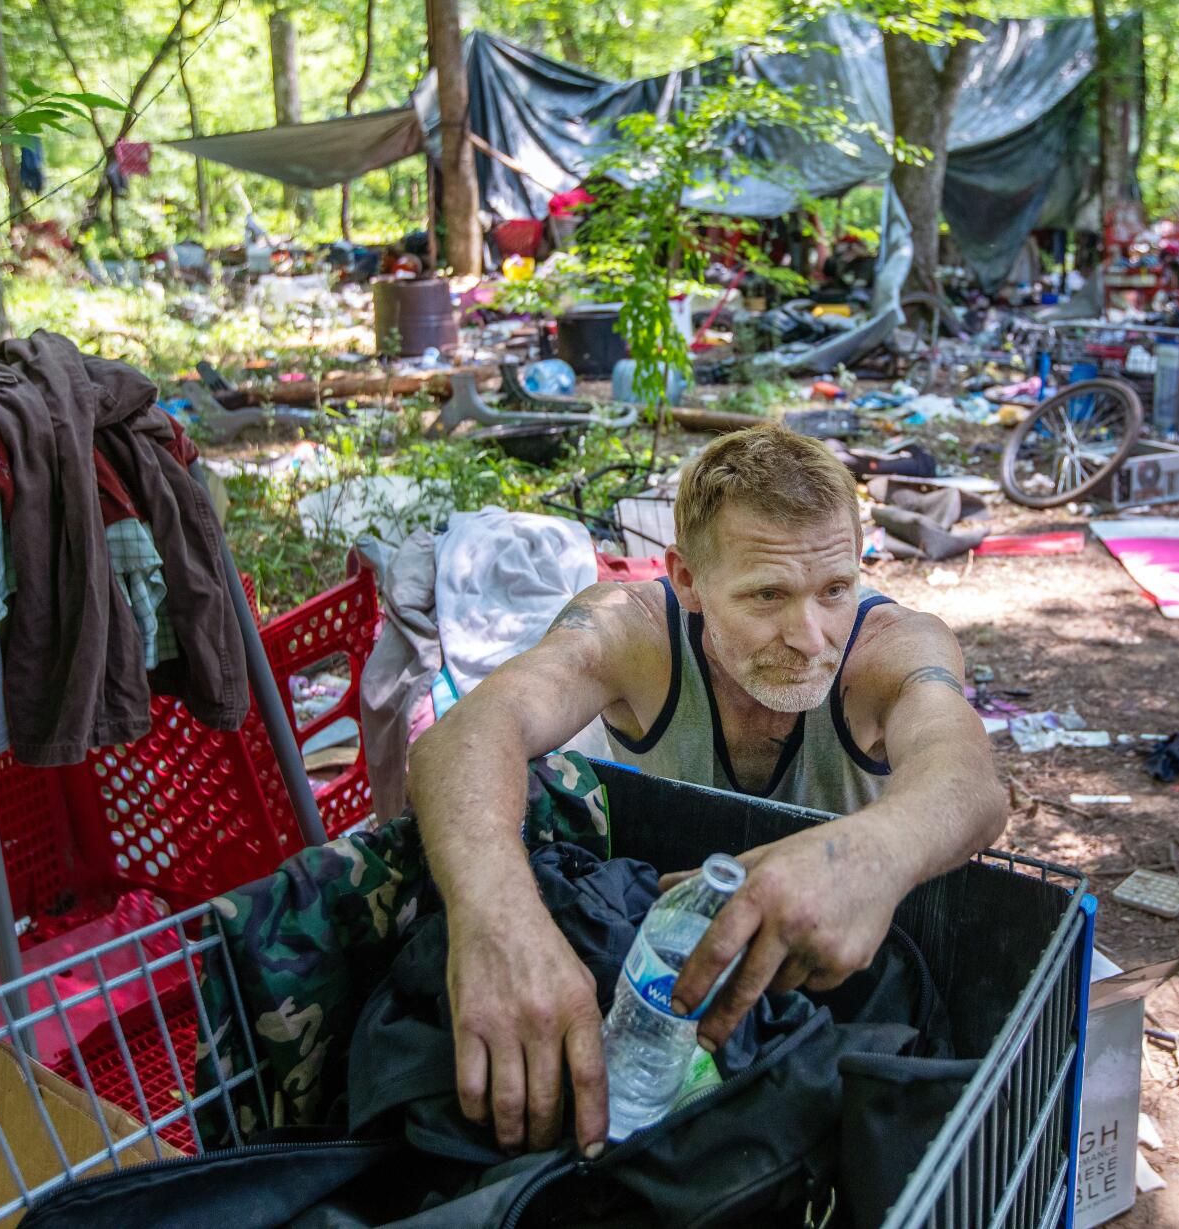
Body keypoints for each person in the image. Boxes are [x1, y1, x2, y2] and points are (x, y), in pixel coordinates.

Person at [404, 425, 1005, 1161]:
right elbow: (467, 733)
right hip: (664, 974)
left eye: (835, 589)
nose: (810, 635)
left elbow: (968, 777)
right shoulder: (631, 629)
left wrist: (868, 855)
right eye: (767, 594)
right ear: (686, 578)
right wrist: (499, 924)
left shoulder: (895, 647)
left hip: (835, 983)